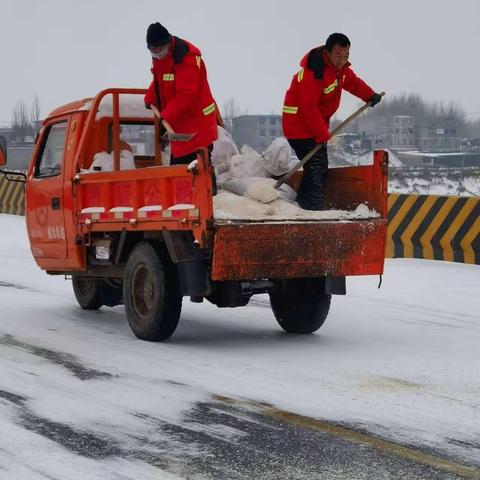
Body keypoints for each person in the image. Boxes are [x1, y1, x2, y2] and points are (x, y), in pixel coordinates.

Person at [282, 33, 382, 210]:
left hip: (313, 126)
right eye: (338, 55)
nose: (342, 60)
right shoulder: (314, 73)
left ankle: (305, 202)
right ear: (328, 53)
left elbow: (354, 83)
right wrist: (322, 135)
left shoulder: (339, 70)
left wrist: (370, 95)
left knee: (318, 166)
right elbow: (308, 108)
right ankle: (312, 204)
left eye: (346, 56)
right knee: (317, 165)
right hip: (299, 126)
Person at [144, 22, 218, 171]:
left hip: (197, 126)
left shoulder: (185, 58)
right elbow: (161, 80)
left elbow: (187, 95)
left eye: (158, 50)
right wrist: (150, 97)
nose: (156, 54)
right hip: (181, 126)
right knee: (180, 171)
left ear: (167, 44)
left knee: (197, 172)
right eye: (153, 51)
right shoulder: (161, 57)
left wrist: (166, 115)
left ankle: (210, 193)